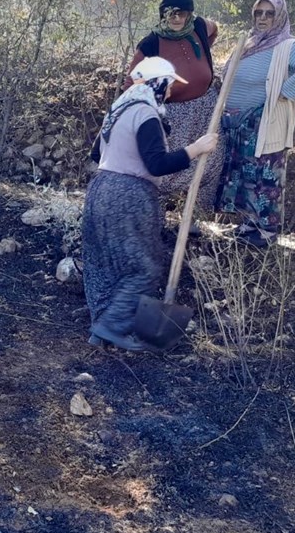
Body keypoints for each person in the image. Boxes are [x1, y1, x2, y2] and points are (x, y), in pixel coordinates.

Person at [84, 57, 219, 351]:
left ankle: (101, 329)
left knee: (106, 264)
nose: (170, 92)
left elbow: (97, 154)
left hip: (100, 189)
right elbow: (156, 164)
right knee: (144, 267)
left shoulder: (118, 109)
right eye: (168, 85)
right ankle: (112, 326)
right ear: (157, 83)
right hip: (128, 195)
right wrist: (197, 148)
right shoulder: (145, 113)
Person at [215, 0, 295, 248]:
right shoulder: (249, 42)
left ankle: (266, 230)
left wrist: (285, 92)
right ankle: (247, 224)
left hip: (261, 120)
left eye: (269, 13)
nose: (263, 18)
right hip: (236, 122)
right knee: (243, 174)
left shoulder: (286, 45)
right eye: (258, 13)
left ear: (280, 16)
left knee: (265, 174)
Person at [127, 0, 223, 211]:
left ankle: (195, 216)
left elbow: (214, 29)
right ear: (163, 14)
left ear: (190, 13)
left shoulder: (199, 26)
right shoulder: (151, 44)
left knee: (211, 159)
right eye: (171, 13)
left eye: (182, 13)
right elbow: (132, 82)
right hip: (174, 113)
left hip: (207, 106)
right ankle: (155, 214)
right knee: (171, 167)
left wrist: (204, 53)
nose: (177, 18)